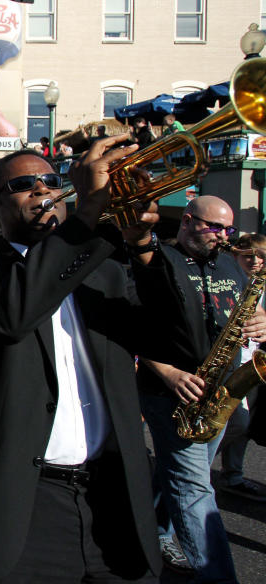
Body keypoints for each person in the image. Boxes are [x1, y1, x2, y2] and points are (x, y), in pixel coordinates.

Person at [0, 139, 195, 582]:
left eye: (51, 181)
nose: (43, 190)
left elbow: (180, 342)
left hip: (114, 495)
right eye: (24, 185)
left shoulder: (106, 270)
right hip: (25, 501)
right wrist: (89, 213)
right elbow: (7, 318)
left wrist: (143, 243)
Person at [137, 196, 266, 582]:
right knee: (194, 486)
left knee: (179, 473)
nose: (223, 237)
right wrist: (168, 373)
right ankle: (218, 575)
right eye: (215, 228)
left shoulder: (229, 262)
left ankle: (158, 533)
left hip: (219, 389)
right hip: (172, 392)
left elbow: (250, 306)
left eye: (228, 230)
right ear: (189, 221)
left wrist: (261, 319)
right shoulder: (158, 261)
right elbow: (130, 325)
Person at [219, 233, 266, 502]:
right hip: (232, 362)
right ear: (234, 257)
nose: (255, 261)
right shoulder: (227, 282)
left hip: (255, 362)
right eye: (247, 255)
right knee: (238, 422)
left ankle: (232, 475)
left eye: (260, 255)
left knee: (244, 427)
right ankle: (193, 464)